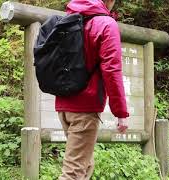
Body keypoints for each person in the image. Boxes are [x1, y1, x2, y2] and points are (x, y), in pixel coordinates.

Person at [56, 0, 129, 179]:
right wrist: (120, 112)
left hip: (64, 104)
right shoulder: (105, 24)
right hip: (85, 108)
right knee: (73, 173)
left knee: (85, 165)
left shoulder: (68, 19)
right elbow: (111, 70)